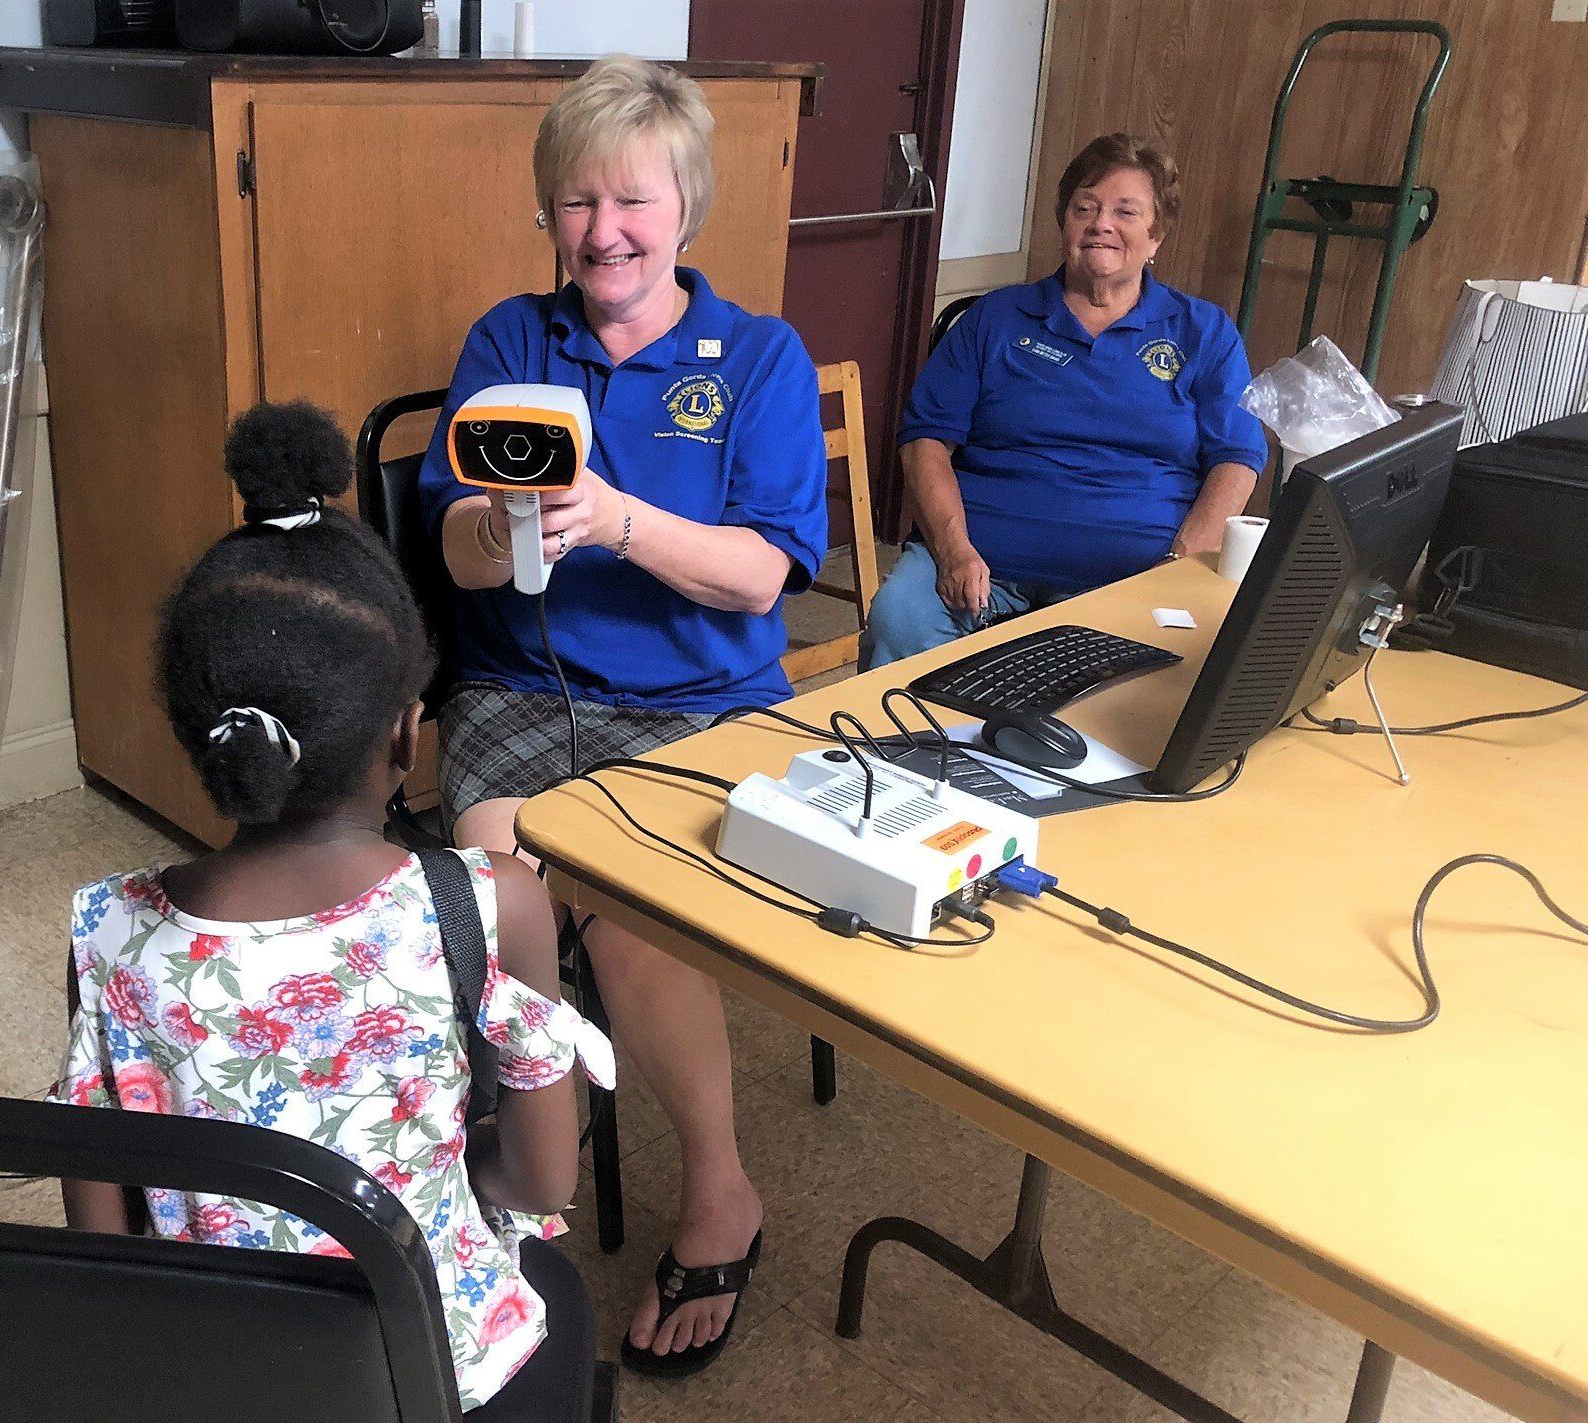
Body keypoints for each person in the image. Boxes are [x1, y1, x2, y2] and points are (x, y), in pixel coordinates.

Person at [50, 401, 614, 1420]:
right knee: (556, 1302)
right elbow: (540, 1180)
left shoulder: (108, 929)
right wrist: (434, 1167)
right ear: (407, 732)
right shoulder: (489, 903)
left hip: (223, 1376)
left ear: (202, 735)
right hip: (441, 1369)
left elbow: (103, 1235)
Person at [419, 56, 828, 1376]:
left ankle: (720, 1189)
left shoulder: (759, 358)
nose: (605, 230)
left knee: (631, 913)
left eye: (633, 200)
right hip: (522, 687)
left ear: (685, 209)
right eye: (578, 200)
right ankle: (523, 1176)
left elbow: (763, 573)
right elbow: (455, 552)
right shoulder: (506, 343)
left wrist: (619, 517)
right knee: (496, 891)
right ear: (548, 212)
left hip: (706, 704)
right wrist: (500, 523)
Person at [860, 132, 1269, 669]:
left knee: (1160, 682)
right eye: (1086, 207)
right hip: (980, 565)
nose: (1102, 223)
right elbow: (925, 441)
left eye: (1126, 212)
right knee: (899, 618)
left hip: (1132, 574)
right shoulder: (995, 320)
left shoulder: (1202, 331)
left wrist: (1180, 563)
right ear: (1064, 222)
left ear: (1156, 237)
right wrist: (954, 549)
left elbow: (1236, 458)